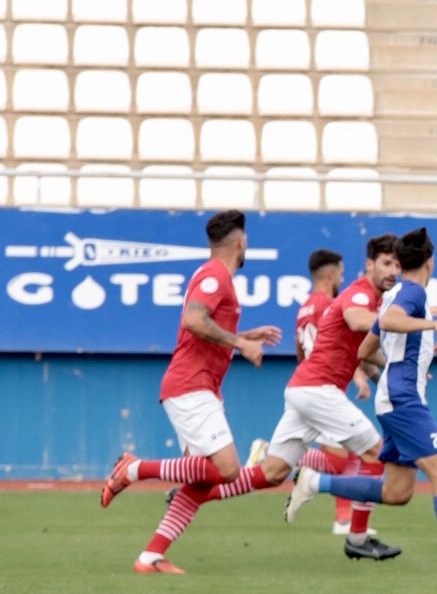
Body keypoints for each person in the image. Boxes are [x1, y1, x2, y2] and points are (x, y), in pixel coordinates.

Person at [285, 227, 437, 577]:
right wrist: (435, 324)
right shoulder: (413, 293)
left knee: (398, 491)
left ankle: (315, 482)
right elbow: (388, 323)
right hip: (403, 398)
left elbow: (363, 350)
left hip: (393, 396)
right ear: (431, 261)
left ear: (402, 260)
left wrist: (401, 359)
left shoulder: (392, 295)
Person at [175, 235, 400, 563]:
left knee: (273, 473)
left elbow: (329, 348)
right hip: (319, 388)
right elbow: (352, 325)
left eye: (397, 264)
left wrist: (391, 368)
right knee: (372, 454)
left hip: (304, 385)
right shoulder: (354, 297)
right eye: (386, 263)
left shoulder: (311, 304)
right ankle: (356, 535)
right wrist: (407, 327)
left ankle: (196, 495)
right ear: (367, 265)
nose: (393, 270)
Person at [99, 210, 282, 574]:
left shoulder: (215, 276)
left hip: (198, 385)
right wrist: (240, 344)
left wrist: (245, 336)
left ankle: (150, 556)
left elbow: (202, 325)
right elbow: (194, 321)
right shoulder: (215, 275)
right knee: (227, 469)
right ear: (241, 242)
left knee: (201, 481)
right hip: (191, 384)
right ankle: (134, 469)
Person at [289, 248, 374, 535]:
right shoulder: (328, 305)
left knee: (348, 456)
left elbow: (302, 351)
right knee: (346, 457)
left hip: (310, 383)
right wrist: (360, 375)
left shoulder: (304, 306)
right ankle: (268, 454)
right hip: (322, 388)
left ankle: (342, 519)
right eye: (340, 271)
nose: (343, 277)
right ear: (329, 274)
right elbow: (331, 348)